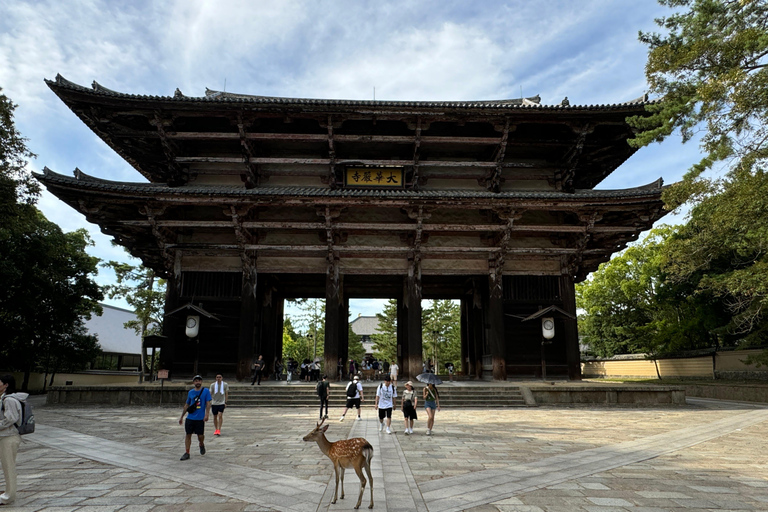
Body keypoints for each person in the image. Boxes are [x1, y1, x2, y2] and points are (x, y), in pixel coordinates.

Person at [0, 375, 27, 506]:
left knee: (8, 466)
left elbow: (10, 419)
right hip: (6, 436)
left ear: (6, 385)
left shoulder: (9, 400)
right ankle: (7, 493)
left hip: (8, 437)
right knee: (7, 466)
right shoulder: (6, 399)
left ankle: (8, 496)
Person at [179, 375, 212, 460]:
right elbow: (187, 404)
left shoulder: (206, 391)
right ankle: (187, 452)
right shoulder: (191, 392)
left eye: (199, 381)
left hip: (200, 418)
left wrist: (207, 414)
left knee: (200, 435)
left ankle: (201, 444)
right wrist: (182, 416)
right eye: (196, 381)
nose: (198, 382)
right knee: (188, 434)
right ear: (194, 382)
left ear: (201, 382)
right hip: (190, 417)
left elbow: (208, 403)